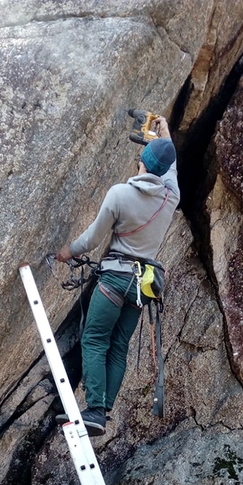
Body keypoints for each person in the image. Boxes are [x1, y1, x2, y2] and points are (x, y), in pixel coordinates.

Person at [56, 115, 179, 436]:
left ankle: (94, 409)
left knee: (94, 339)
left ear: (141, 161)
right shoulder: (171, 196)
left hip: (114, 279)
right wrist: (165, 136)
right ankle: (103, 409)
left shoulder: (120, 194)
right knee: (118, 345)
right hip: (142, 286)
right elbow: (171, 165)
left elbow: (92, 239)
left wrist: (67, 252)